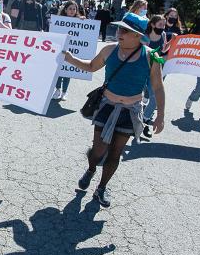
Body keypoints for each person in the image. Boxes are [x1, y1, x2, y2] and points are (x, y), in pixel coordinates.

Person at [64, 12, 165, 207]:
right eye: (119, 28)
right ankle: (91, 168)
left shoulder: (151, 57)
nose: (119, 32)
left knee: (115, 154)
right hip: (107, 107)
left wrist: (160, 115)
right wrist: (70, 58)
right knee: (98, 151)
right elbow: (91, 66)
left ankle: (101, 188)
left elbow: (158, 87)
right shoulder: (109, 50)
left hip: (131, 112)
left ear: (138, 36)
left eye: (125, 31)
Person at [142, 15, 176, 137]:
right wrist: (160, 58)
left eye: (164, 25)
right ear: (152, 24)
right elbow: (143, 54)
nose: (163, 27)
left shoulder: (163, 35)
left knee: (155, 98)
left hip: (155, 71)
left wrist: (172, 42)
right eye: (160, 24)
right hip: (142, 70)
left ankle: (143, 122)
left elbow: (163, 48)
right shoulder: (145, 37)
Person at [52, 0, 84, 101]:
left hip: (72, 51)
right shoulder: (59, 21)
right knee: (58, 71)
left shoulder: (80, 21)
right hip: (60, 50)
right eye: (70, 9)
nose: (72, 11)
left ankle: (64, 92)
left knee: (67, 72)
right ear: (65, 10)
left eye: (74, 9)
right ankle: (57, 90)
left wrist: (83, 20)